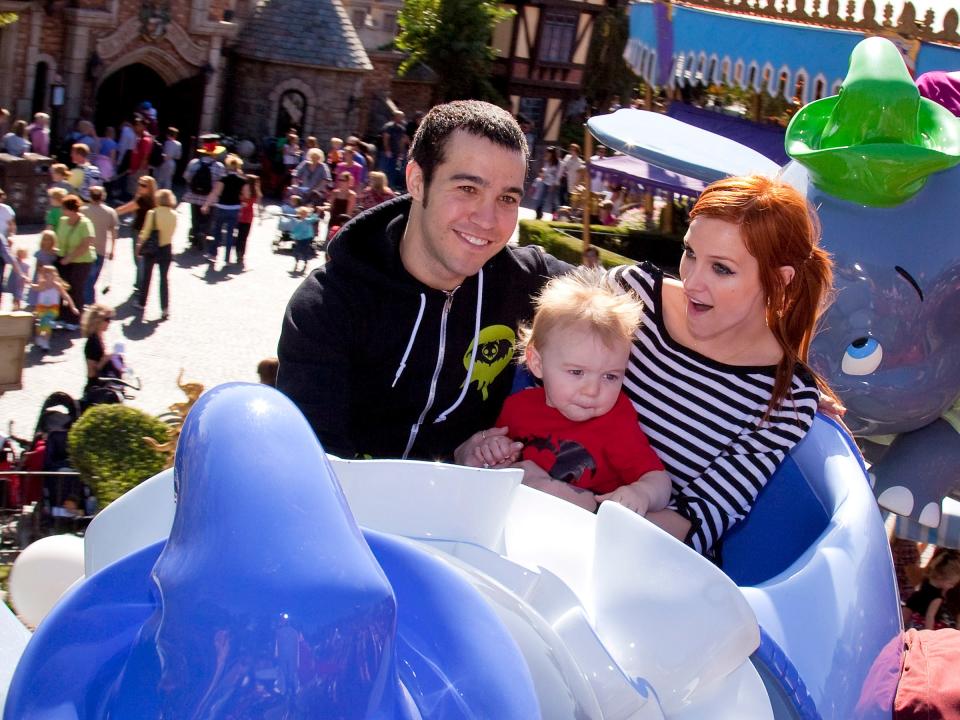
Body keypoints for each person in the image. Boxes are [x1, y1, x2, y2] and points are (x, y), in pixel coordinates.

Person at [277, 99, 569, 460]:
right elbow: (317, 466)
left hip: (467, 509)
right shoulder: (328, 306)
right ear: (417, 180)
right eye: (467, 189)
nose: (488, 220)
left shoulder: (524, 281)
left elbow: (635, 294)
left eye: (507, 198)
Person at [601, 175, 836, 556]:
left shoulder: (786, 398)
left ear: (779, 280)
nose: (692, 281)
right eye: (690, 253)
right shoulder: (628, 296)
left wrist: (587, 523)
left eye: (721, 269)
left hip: (641, 562)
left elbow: (699, 517)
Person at [461, 270, 672, 516]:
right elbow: (504, 456)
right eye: (576, 372)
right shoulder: (518, 407)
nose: (592, 390)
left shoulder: (615, 419)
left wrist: (642, 493)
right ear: (537, 363)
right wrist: (495, 450)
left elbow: (659, 479)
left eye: (610, 376)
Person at [55, 194, 96, 329]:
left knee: (76, 288)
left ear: (72, 209)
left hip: (81, 260)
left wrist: (70, 258)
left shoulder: (85, 223)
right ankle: (61, 316)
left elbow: (86, 243)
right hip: (62, 258)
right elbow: (58, 237)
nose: (62, 211)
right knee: (61, 288)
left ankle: (75, 319)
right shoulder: (62, 220)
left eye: (64, 208)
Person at [136, 188, 177, 319]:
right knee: (164, 279)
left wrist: (138, 247)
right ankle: (165, 308)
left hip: (152, 248)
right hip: (166, 247)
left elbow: (145, 232)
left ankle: (142, 303)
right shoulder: (174, 214)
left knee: (147, 277)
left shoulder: (152, 213)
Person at [182, 134, 226, 250]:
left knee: (194, 217)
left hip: (194, 196)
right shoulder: (219, 166)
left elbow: (186, 177)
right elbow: (221, 183)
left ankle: (195, 235)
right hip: (209, 198)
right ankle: (203, 232)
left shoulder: (194, 163)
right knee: (207, 219)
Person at [203, 153, 248, 264]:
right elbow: (246, 195)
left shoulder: (223, 178)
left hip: (221, 207)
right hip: (234, 208)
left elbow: (215, 193)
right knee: (230, 233)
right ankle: (227, 258)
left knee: (217, 232)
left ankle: (213, 254)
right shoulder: (242, 180)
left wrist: (207, 205)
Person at [115, 175, 157, 292]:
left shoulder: (142, 200)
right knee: (141, 259)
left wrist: (110, 213)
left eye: (143, 185)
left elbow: (125, 209)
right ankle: (140, 283)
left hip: (139, 231)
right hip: (146, 231)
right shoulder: (152, 199)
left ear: (149, 188)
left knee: (138, 259)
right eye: (139, 183)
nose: (139, 186)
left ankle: (141, 285)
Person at [903, 550, 960, 630]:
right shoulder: (937, 598)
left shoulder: (925, 582)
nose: (952, 587)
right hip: (924, 625)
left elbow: (911, 604)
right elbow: (930, 616)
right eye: (951, 584)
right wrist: (928, 634)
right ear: (941, 578)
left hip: (914, 618)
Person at [81, 186, 118, 305]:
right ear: (103, 196)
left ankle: (88, 303)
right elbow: (113, 233)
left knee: (86, 279)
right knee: (92, 279)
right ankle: (90, 302)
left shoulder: (83, 210)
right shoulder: (110, 212)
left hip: (84, 249)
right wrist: (112, 249)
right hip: (101, 250)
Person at [29, 265, 76, 351]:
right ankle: (40, 337)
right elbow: (36, 288)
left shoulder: (57, 285)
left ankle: (45, 341)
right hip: (41, 307)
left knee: (47, 321)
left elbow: (66, 296)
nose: (47, 275)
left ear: (54, 275)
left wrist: (73, 307)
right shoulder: (42, 283)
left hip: (52, 308)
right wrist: (29, 284)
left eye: (49, 273)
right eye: (45, 273)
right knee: (42, 323)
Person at [81, 303, 121, 401]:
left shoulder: (100, 337)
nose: (109, 322)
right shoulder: (92, 342)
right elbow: (94, 371)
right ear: (97, 321)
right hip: (96, 387)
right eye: (107, 319)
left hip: (104, 383)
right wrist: (107, 357)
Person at [236, 174, 261, 267]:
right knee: (245, 236)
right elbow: (259, 199)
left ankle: (238, 252)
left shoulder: (244, 189)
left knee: (239, 235)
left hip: (241, 214)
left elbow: (242, 199)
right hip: (249, 216)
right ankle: (241, 254)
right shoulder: (255, 191)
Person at [289, 205, 319, 274]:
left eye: (304, 214)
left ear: (306, 215)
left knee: (304, 252)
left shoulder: (308, 221)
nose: (303, 215)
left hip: (306, 239)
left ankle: (305, 264)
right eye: (301, 214)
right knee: (296, 251)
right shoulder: (297, 222)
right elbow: (295, 230)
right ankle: (297, 263)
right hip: (299, 239)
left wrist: (315, 212)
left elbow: (315, 218)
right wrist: (293, 237)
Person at [535, 146, 560, 220]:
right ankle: (539, 213)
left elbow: (557, 174)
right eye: (548, 152)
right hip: (545, 182)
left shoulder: (557, 163)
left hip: (552, 184)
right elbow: (545, 170)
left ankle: (555, 216)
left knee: (552, 201)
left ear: (553, 154)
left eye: (550, 152)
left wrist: (554, 184)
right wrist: (542, 173)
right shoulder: (547, 160)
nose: (548, 154)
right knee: (541, 198)